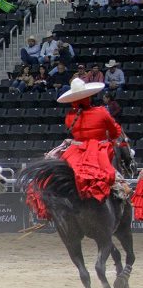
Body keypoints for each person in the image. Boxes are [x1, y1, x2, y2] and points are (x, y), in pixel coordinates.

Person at [27, 79, 120, 219]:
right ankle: (117, 196)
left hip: (76, 150)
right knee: (109, 172)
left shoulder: (70, 116)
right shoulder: (102, 112)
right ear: (89, 96)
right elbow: (115, 132)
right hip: (98, 149)